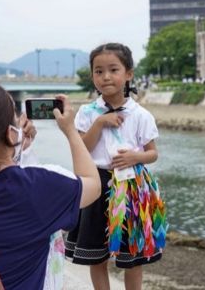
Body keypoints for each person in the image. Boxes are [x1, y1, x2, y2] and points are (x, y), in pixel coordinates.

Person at [0, 84, 101, 289]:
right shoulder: (39, 187)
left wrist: (14, 149)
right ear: (10, 133)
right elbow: (92, 184)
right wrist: (70, 131)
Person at [65, 43, 167, 290]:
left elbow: (153, 153)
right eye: (98, 71)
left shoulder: (140, 114)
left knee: (131, 257)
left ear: (129, 74)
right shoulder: (87, 113)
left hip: (131, 186)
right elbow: (82, 149)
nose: (106, 76)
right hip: (95, 185)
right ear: (92, 76)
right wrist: (99, 123)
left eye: (113, 69)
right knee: (96, 256)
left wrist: (135, 157)